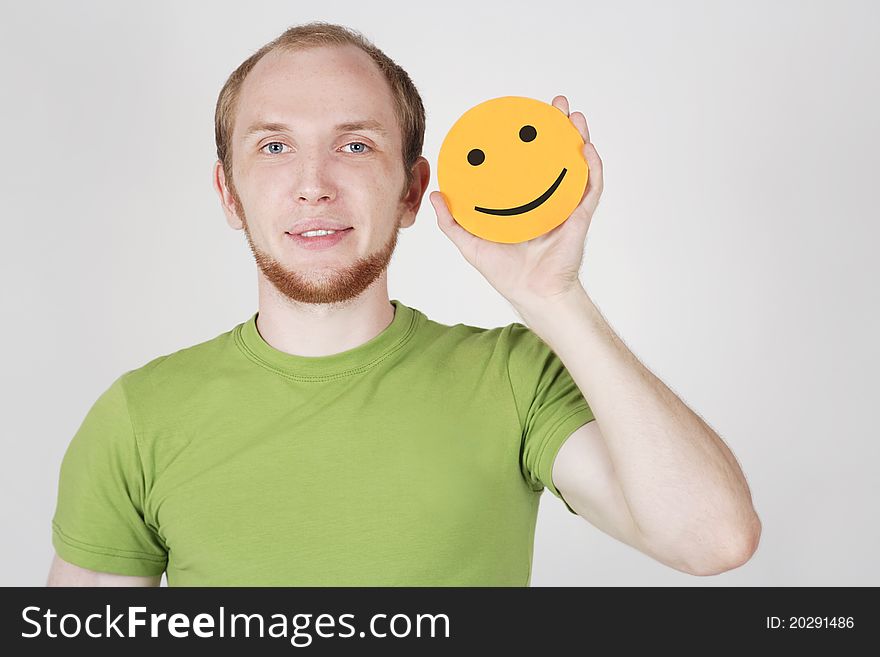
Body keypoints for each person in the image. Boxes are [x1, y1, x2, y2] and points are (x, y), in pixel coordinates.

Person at [48, 22, 761, 587]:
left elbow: (713, 540)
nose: (313, 184)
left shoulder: (514, 378)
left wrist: (555, 297)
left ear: (413, 191)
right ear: (229, 194)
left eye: (355, 144)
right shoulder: (138, 417)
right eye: (273, 146)